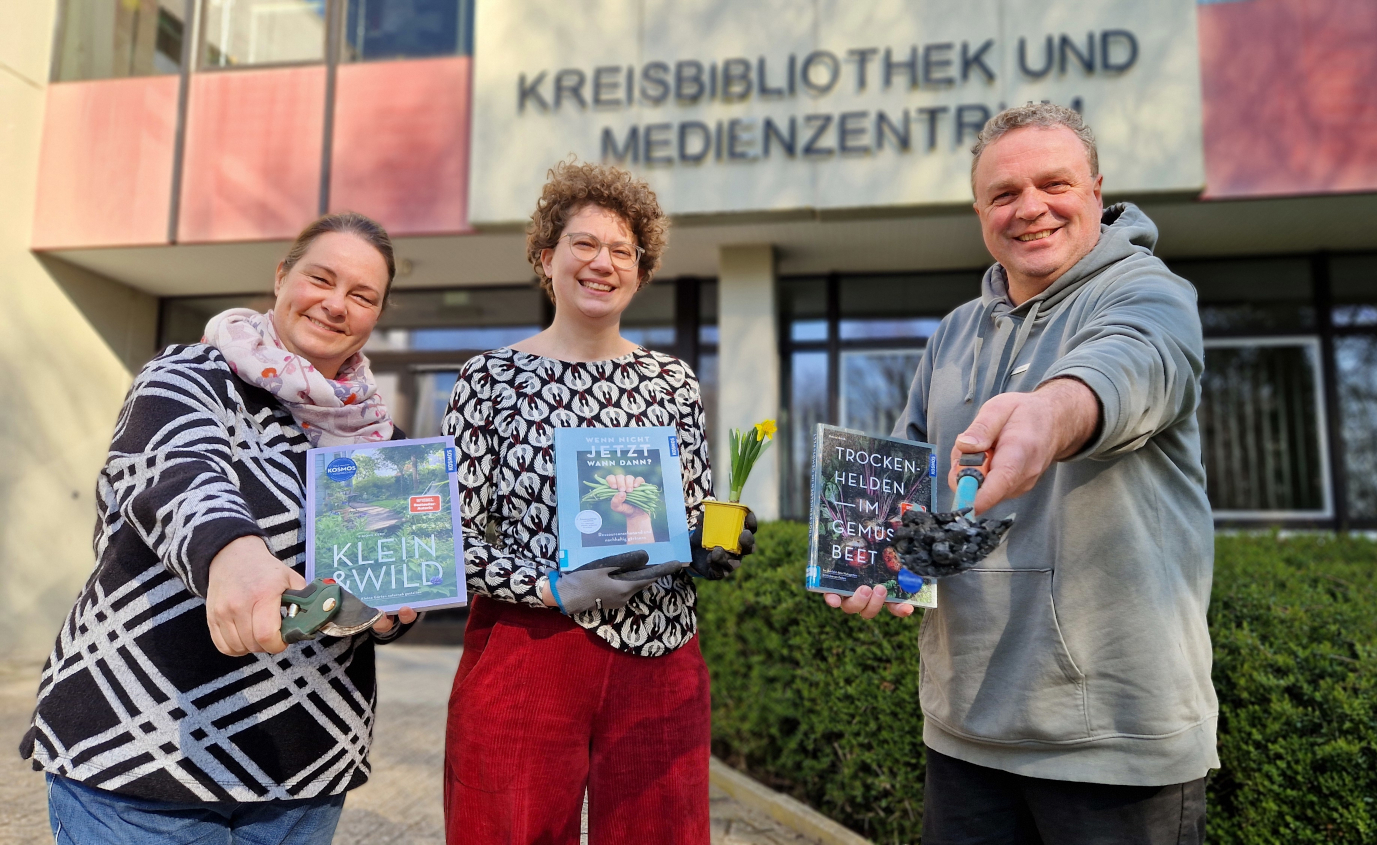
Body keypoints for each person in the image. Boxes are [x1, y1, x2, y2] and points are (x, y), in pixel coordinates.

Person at [827, 103, 1217, 842]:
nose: (1030, 208)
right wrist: (877, 561)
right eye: (1004, 194)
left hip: (1116, 746)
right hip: (962, 728)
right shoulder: (951, 335)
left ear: (1097, 193)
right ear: (979, 211)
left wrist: (1050, 415)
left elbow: (1132, 366)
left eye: (1054, 183)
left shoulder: (1148, 294)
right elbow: (911, 494)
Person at [20, 212, 420, 844]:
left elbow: (374, 587)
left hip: (305, 769)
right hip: (142, 750)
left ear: (377, 314)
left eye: (362, 295)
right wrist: (233, 555)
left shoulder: (380, 443)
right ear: (284, 275)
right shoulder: (188, 376)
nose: (337, 304)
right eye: (322, 278)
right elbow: (179, 475)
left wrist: (394, 604)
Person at [441, 160, 754, 845]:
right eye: (584, 243)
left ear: (641, 272)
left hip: (660, 648)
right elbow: (451, 538)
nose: (602, 262)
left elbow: (694, 506)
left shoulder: (672, 380)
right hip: (530, 647)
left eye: (622, 251)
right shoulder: (489, 378)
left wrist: (718, 537)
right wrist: (550, 583)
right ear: (546, 256)